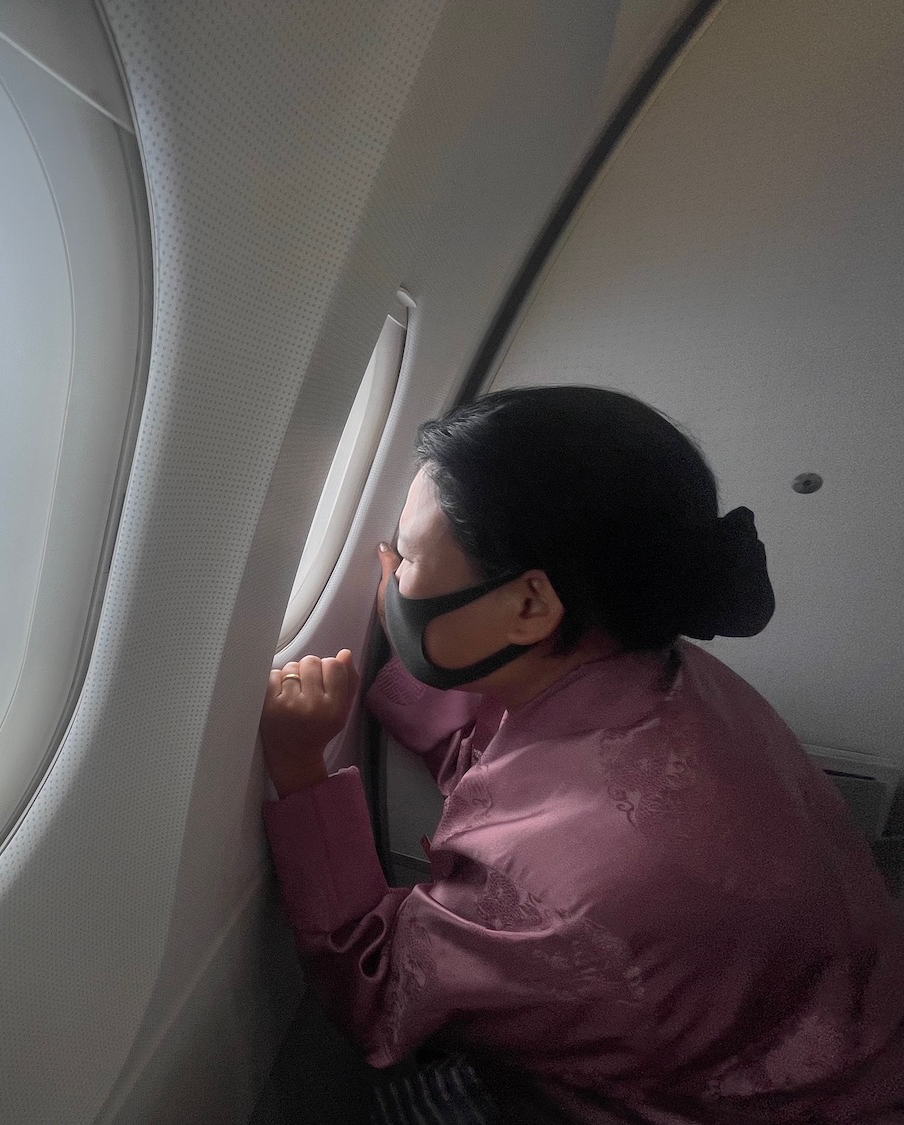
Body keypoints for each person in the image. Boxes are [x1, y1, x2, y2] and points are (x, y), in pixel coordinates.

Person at [259, 386, 904, 1124]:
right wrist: (412, 642)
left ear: (531, 605)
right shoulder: (672, 678)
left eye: (406, 555)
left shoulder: (569, 893)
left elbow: (378, 995)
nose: (387, 569)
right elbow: (512, 754)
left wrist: (302, 770)